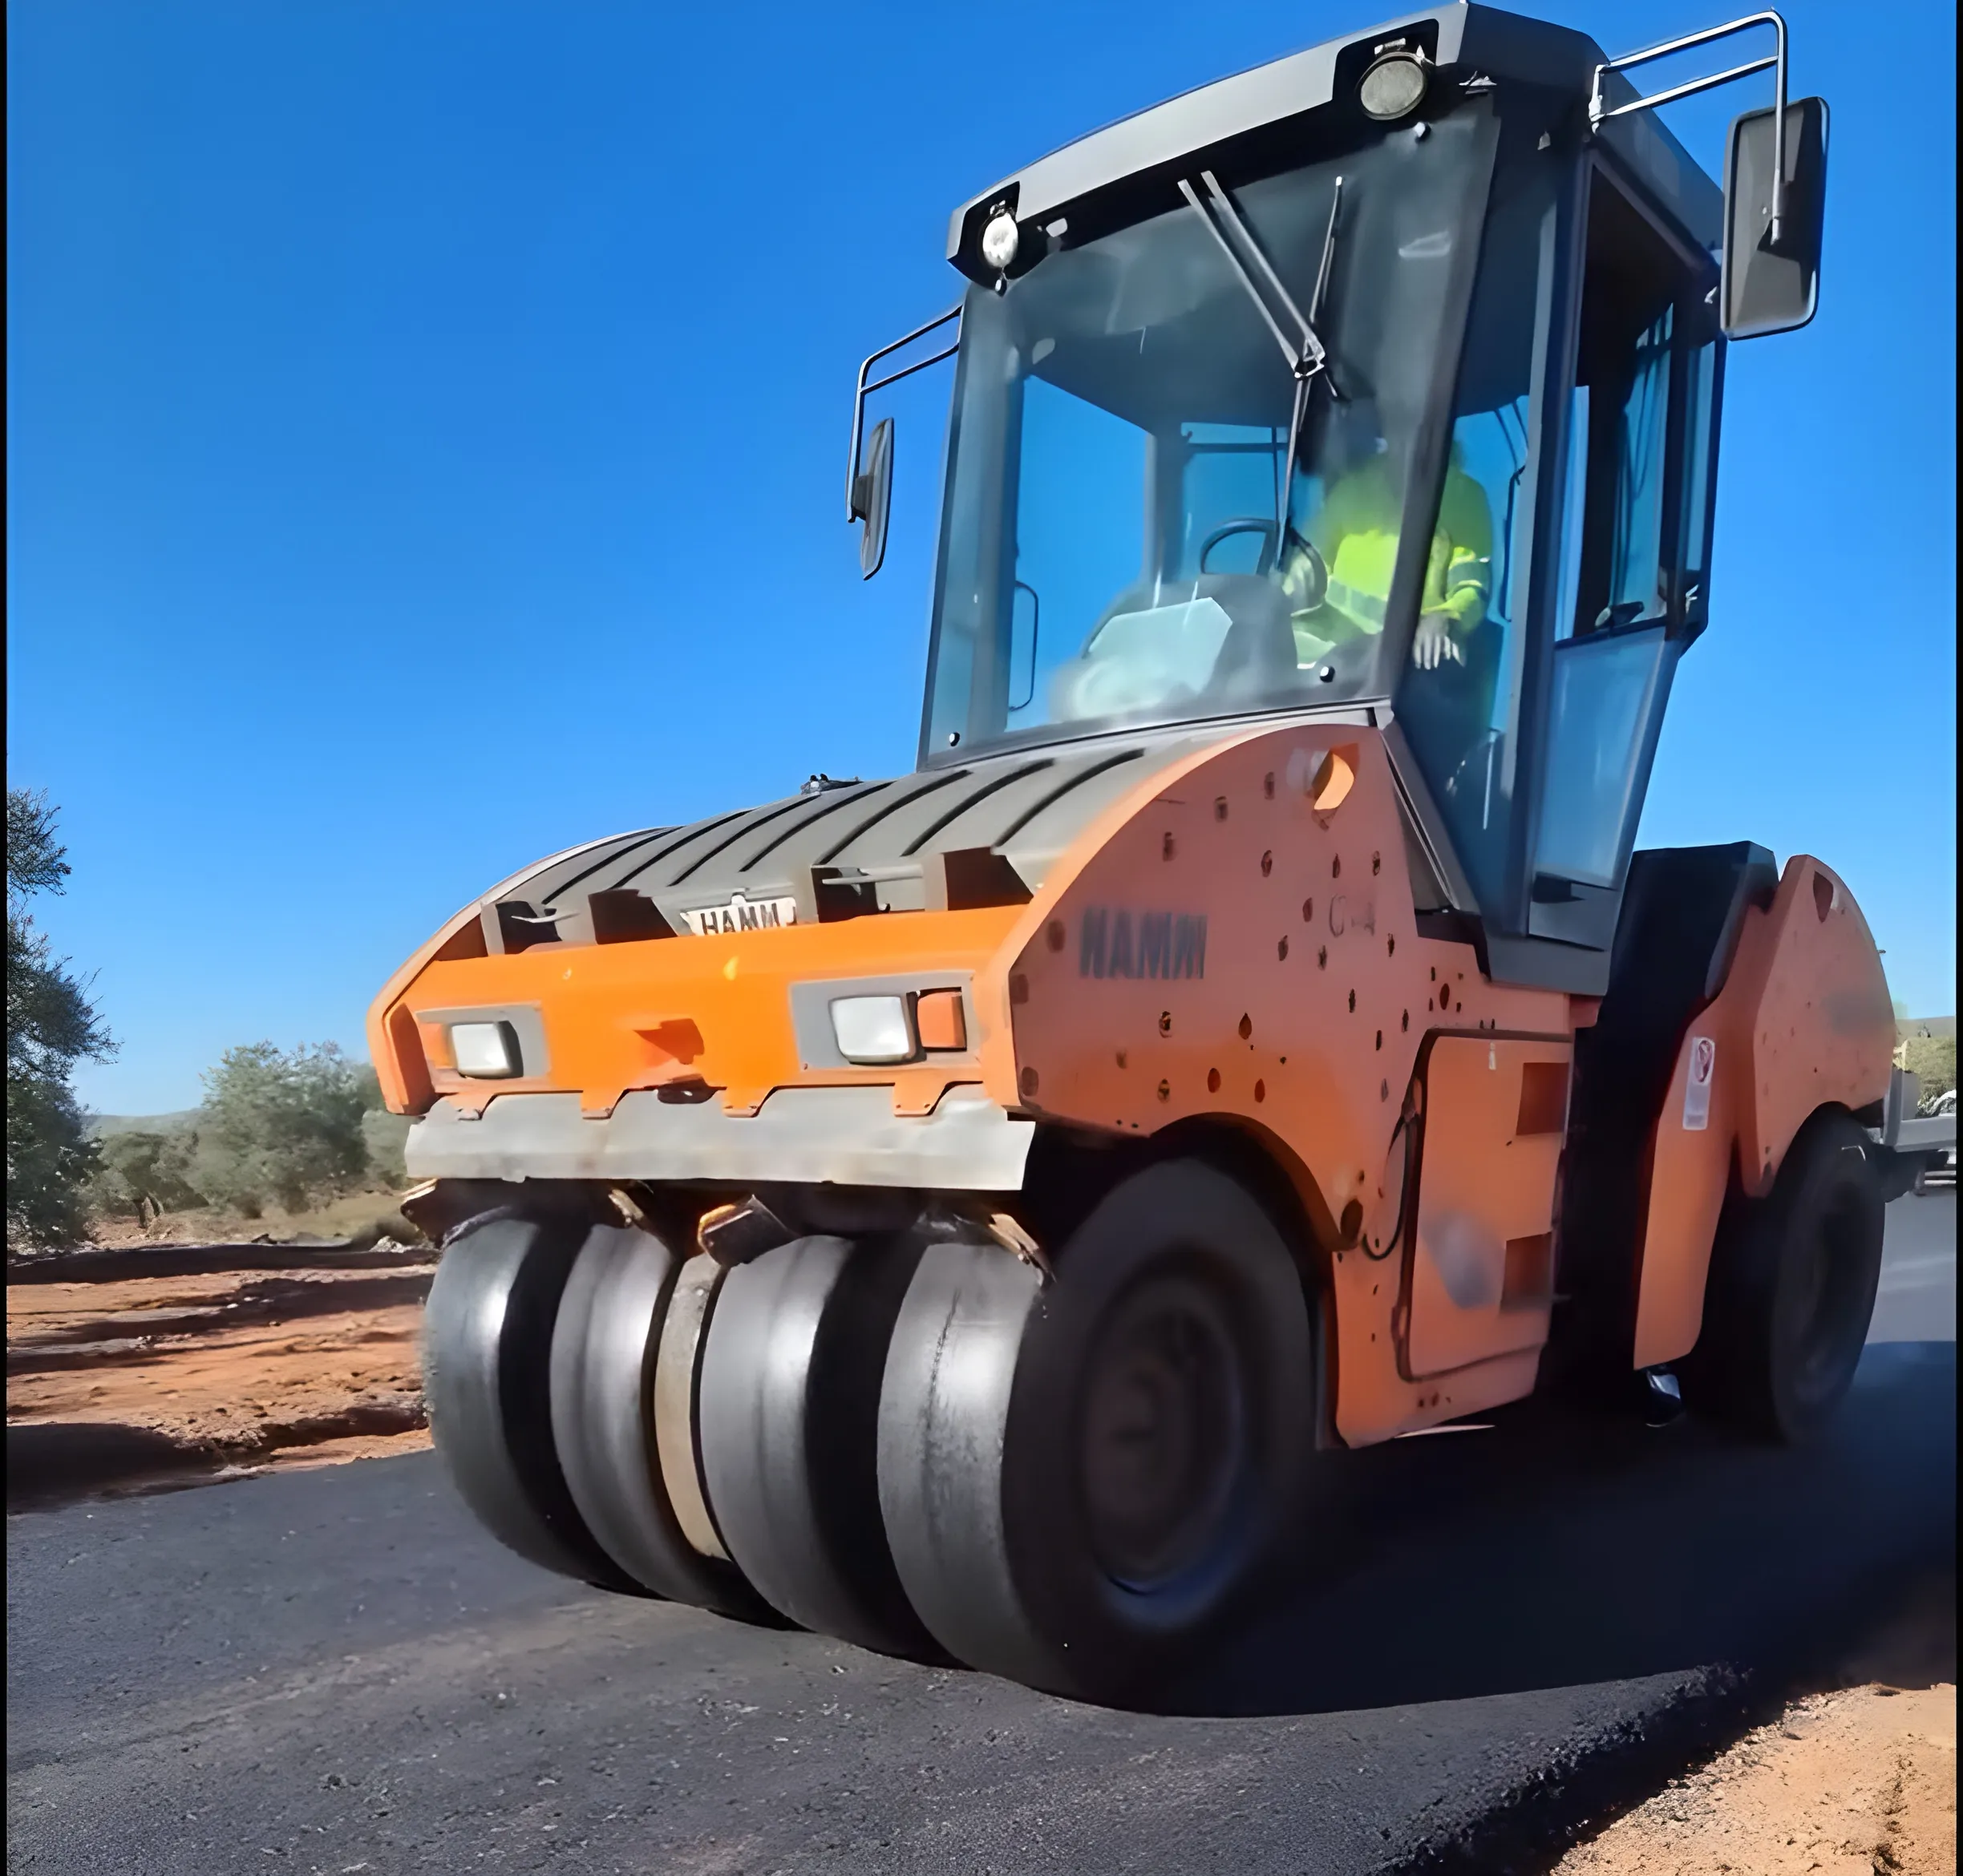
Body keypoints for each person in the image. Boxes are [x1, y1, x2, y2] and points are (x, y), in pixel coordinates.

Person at [1280, 430, 1493, 673]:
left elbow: (1472, 586)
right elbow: (1306, 568)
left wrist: (1448, 617)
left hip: (1408, 666)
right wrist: (1281, 601)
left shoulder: (1463, 496)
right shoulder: (1352, 491)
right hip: (1327, 662)